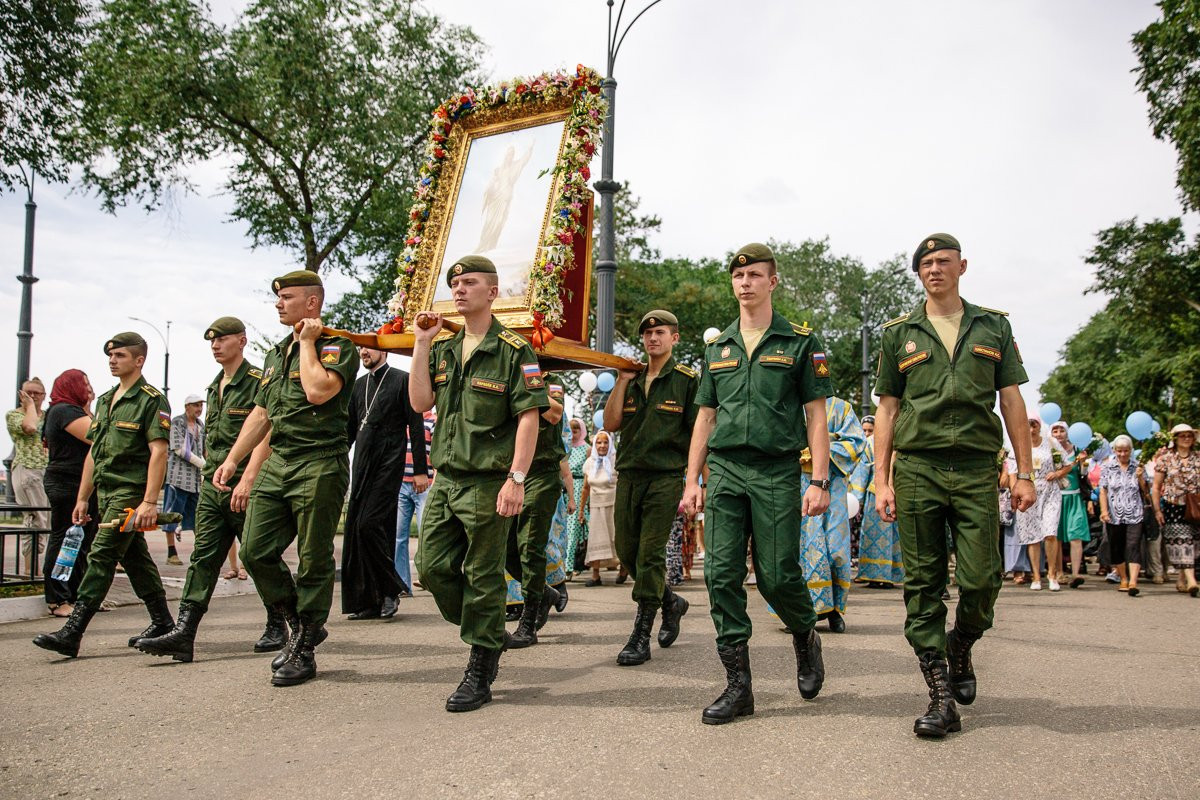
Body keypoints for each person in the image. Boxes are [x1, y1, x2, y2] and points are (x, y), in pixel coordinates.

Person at [873, 233, 1035, 738]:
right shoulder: (899, 334)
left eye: (943, 261)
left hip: (975, 468)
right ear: (918, 273)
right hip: (918, 467)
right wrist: (882, 479)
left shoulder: (993, 326)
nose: (934, 269)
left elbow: (1010, 400)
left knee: (983, 577)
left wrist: (1025, 471)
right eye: (925, 264)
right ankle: (940, 695)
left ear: (962, 266)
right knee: (921, 583)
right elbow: (887, 409)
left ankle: (961, 642)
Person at [682, 242, 832, 725]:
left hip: (775, 470)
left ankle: (805, 634)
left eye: (754, 276)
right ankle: (738, 686)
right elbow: (705, 417)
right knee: (719, 573)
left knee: (776, 574)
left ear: (773, 282)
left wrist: (819, 479)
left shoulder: (800, 342)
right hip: (724, 469)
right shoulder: (717, 347)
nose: (744, 283)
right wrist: (691, 480)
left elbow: (816, 415)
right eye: (738, 276)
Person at [409, 254, 549, 712]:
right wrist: (422, 343)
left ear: (492, 293)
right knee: (431, 568)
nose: (459, 289)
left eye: (469, 282)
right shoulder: (446, 349)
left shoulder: (513, 351)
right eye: (454, 282)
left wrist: (517, 479)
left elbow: (529, 418)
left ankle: (480, 666)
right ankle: (487, 631)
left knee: (483, 575)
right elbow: (420, 400)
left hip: (490, 481)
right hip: (447, 478)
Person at [213, 272, 359, 686]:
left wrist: (309, 343)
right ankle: (299, 622)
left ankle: (305, 648)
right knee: (256, 550)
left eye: (288, 297)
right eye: (277, 297)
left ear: (312, 304)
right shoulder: (277, 353)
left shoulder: (336, 346)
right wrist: (233, 460)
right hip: (279, 463)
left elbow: (317, 391)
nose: (278, 303)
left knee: (313, 558)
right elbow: (262, 414)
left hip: (319, 462)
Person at [137, 317, 279, 663]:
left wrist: (248, 479)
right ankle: (185, 633)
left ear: (242, 341)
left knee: (259, 557)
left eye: (223, 339)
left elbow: (269, 433)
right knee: (202, 559)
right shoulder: (216, 386)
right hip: (214, 486)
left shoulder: (259, 382)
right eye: (211, 341)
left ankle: (280, 621)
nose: (215, 346)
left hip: (246, 486)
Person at [33, 333, 175, 658]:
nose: (112, 360)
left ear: (139, 360)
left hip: (129, 492)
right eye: (110, 355)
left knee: (101, 555)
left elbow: (158, 452)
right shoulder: (106, 400)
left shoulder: (151, 400)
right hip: (107, 491)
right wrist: (84, 496)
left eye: (120, 355)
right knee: (134, 557)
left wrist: (150, 501)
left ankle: (73, 632)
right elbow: (96, 451)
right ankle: (164, 621)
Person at [603, 309, 699, 665]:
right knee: (626, 552)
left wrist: (694, 482)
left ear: (674, 338)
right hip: (628, 475)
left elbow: (697, 435)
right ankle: (671, 602)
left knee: (649, 555)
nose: (652, 338)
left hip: (665, 477)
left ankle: (641, 633)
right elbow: (612, 423)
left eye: (659, 332)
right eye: (647, 334)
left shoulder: (687, 380)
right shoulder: (632, 378)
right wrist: (621, 380)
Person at [342, 345, 426, 620]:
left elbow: (415, 425)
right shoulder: (358, 386)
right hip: (362, 464)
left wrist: (420, 471)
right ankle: (369, 600)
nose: (363, 352)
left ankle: (390, 590)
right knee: (357, 528)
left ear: (385, 352)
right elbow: (348, 432)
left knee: (369, 524)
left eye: (369, 348)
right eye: (360, 348)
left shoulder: (402, 380)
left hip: (390, 461)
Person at [506, 370, 565, 646]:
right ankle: (543, 592)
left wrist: (519, 385)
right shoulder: (501, 369)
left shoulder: (544, 377)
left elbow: (554, 413)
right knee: (507, 549)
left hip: (541, 473)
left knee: (529, 545)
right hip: (511, 472)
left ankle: (528, 622)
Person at [798, 396, 865, 632]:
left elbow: (857, 441)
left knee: (835, 548)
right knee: (804, 549)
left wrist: (822, 448)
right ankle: (800, 612)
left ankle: (835, 610)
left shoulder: (842, 407)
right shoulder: (793, 402)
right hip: (797, 485)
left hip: (833, 487)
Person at [40, 370, 97, 616]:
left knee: (81, 542)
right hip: (66, 483)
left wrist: (89, 404)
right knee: (65, 538)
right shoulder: (63, 410)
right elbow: (98, 436)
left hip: (82, 483)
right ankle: (57, 598)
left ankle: (74, 596)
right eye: (85, 384)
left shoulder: (75, 411)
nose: (89, 388)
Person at [849, 415, 905, 589]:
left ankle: (874, 574)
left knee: (875, 535)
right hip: (898, 493)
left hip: (876, 494)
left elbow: (863, 470)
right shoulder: (902, 438)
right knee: (893, 537)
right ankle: (891, 574)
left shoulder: (872, 442)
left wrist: (856, 497)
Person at [1015, 417, 1068, 591]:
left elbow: (1068, 464)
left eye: (1034, 425)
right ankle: (1036, 576)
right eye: (1028, 425)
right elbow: (1012, 470)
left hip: (1050, 490)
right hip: (1030, 491)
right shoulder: (1021, 444)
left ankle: (1052, 575)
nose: (1031, 429)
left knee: (1050, 532)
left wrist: (1058, 473)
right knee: (1033, 536)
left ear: (1039, 426)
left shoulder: (1051, 443)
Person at [7, 377, 49, 574]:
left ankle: (38, 571)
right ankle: (30, 572)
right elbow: (30, 427)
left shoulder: (48, 415)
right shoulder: (15, 416)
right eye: (28, 393)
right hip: (28, 469)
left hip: (47, 471)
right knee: (35, 518)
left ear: (44, 395)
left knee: (46, 519)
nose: (33, 397)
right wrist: (30, 406)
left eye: (37, 393)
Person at [1152, 423, 1200, 596]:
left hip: (1196, 505)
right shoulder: (1165, 459)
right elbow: (1156, 486)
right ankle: (1192, 581)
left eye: (1189, 435)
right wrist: (1157, 510)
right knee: (1182, 542)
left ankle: (1182, 578)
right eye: (1182, 435)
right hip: (1174, 505)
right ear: (1175, 439)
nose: (1186, 438)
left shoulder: (1198, 458)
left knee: (1194, 543)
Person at [161, 394, 206, 565]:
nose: (199, 409)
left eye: (201, 405)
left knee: (197, 517)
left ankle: (201, 551)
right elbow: (180, 450)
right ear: (187, 406)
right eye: (195, 405)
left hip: (194, 482)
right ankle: (171, 552)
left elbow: (204, 449)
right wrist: (204, 465)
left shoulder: (201, 426)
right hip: (178, 478)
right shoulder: (177, 422)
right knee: (171, 514)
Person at [1099, 435, 1147, 596]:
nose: (1123, 454)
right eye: (1119, 451)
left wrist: (1140, 477)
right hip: (1114, 514)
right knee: (1116, 546)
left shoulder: (1137, 466)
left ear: (1131, 451)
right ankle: (1123, 578)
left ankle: (1133, 581)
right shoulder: (1108, 467)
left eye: (1126, 451)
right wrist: (1104, 511)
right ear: (1114, 450)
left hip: (1134, 512)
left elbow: (1146, 490)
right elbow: (1103, 490)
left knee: (1133, 545)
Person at [1049, 421, 1091, 587]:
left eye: (1061, 431)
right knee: (1056, 537)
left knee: (1076, 535)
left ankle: (1075, 573)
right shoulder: (1049, 451)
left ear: (1067, 433)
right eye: (1055, 430)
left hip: (1074, 497)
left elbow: (1083, 475)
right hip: (1056, 497)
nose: (1058, 434)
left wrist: (1083, 463)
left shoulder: (1077, 451)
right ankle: (1059, 572)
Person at [578, 431, 623, 585]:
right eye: (599, 442)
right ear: (594, 445)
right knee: (595, 540)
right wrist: (581, 510)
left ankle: (623, 569)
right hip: (596, 506)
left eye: (605, 442)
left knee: (617, 538)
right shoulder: (590, 462)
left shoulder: (616, 460)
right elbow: (585, 488)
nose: (602, 445)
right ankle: (595, 575)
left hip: (614, 505)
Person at [396, 410, 434, 593]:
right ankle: (401, 583)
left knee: (426, 533)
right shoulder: (402, 421)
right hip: (402, 482)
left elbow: (435, 452)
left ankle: (427, 577)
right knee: (398, 536)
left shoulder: (432, 421)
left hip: (424, 485)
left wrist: (432, 479)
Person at [564, 418, 590, 575]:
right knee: (564, 528)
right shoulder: (566, 447)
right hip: (565, 488)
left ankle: (568, 567)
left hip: (580, 487)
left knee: (573, 529)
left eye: (576, 431)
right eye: (571, 431)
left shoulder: (586, 449)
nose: (573, 434)